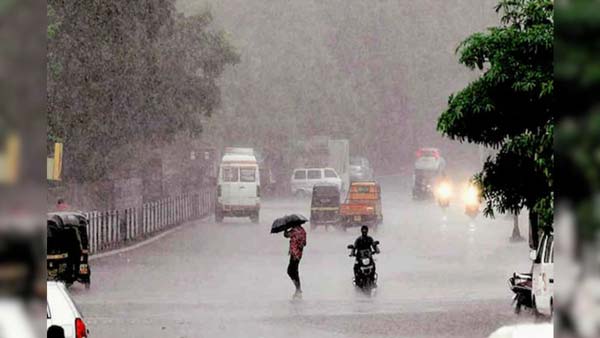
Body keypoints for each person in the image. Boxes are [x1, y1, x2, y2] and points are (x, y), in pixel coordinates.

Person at [284, 223, 306, 298]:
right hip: (299, 254)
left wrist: (285, 229)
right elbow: (304, 243)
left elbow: (286, 235)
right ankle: (298, 288)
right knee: (294, 270)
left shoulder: (294, 231)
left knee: (290, 271)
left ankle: (298, 288)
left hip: (294, 254)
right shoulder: (302, 231)